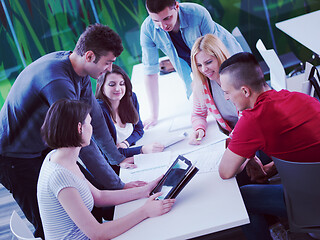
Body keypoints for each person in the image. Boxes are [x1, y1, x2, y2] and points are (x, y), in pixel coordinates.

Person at [0, 23, 142, 238]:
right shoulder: (58, 82)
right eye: (108, 63)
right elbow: (81, 140)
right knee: (49, 223)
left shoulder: (81, 71)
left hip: (44, 148)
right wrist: (119, 185)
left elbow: (96, 124)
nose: (110, 70)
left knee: (95, 202)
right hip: (13, 158)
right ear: (90, 56)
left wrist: (117, 162)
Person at [37, 99, 175, 239]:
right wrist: (145, 211)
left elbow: (98, 197)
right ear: (80, 128)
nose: (92, 128)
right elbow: (98, 234)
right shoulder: (60, 175)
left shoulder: (59, 157)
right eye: (89, 123)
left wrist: (143, 191)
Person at [217, 52, 320, 240]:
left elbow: (226, 171)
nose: (225, 98)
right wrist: (274, 167)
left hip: (312, 204)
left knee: (243, 197)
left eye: (226, 92)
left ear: (245, 91)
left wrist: (246, 156)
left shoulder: (253, 120)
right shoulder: (301, 98)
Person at [141, 0, 243, 129]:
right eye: (156, 21)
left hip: (224, 61)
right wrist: (153, 115)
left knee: (238, 103)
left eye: (167, 18)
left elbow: (214, 53)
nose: (162, 26)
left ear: (176, 6)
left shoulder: (197, 13)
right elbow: (150, 72)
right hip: (203, 69)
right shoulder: (148, 29)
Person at [96, 65, 164, 158]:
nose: (118, 88)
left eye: (122, 83)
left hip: (130, 153)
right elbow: (109, 154)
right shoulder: (99, 112)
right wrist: (142, 149)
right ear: (101, 86)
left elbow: (139, 129)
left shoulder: (130, 98)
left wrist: (126, 143)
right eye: (112, 84)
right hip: (115, 165)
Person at [189, 34, 238, 145]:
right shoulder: (202, 84)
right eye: (199, 65)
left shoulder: (238, 77)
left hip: (254, 132)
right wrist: (199, 129)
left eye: (208, 62)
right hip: (235, 136)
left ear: (220, 56)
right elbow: (198, 114)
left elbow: (248, 117)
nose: (204, 69)